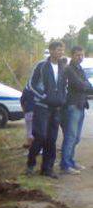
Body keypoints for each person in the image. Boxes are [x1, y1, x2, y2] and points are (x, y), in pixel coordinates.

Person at [25, 41, 68, 179]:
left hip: (56, 108)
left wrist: (62, 98)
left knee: (51, 139)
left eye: (62, 50)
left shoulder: (63, 66)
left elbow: (64, 86)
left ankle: (47, 169)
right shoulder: (41, 65)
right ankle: (31, 163)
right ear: (50, 50)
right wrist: (43, 96)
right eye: (57, 49)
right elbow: (31, 84)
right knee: (40, 136)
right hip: (42, 107)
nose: (60, 52)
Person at [60, 46, 93, 175]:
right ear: (72, 55)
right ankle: (65, 164)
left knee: (76, 137)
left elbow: (88, 86)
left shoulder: (80, 68)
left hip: (81, 105)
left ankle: (71, 161)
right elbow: (80, 84)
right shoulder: (69, 69)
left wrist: (84, 84)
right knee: (70, 136)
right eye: (77, 55)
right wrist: (84, 84)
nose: (80, 57)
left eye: (82, 55)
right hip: (72, 106)